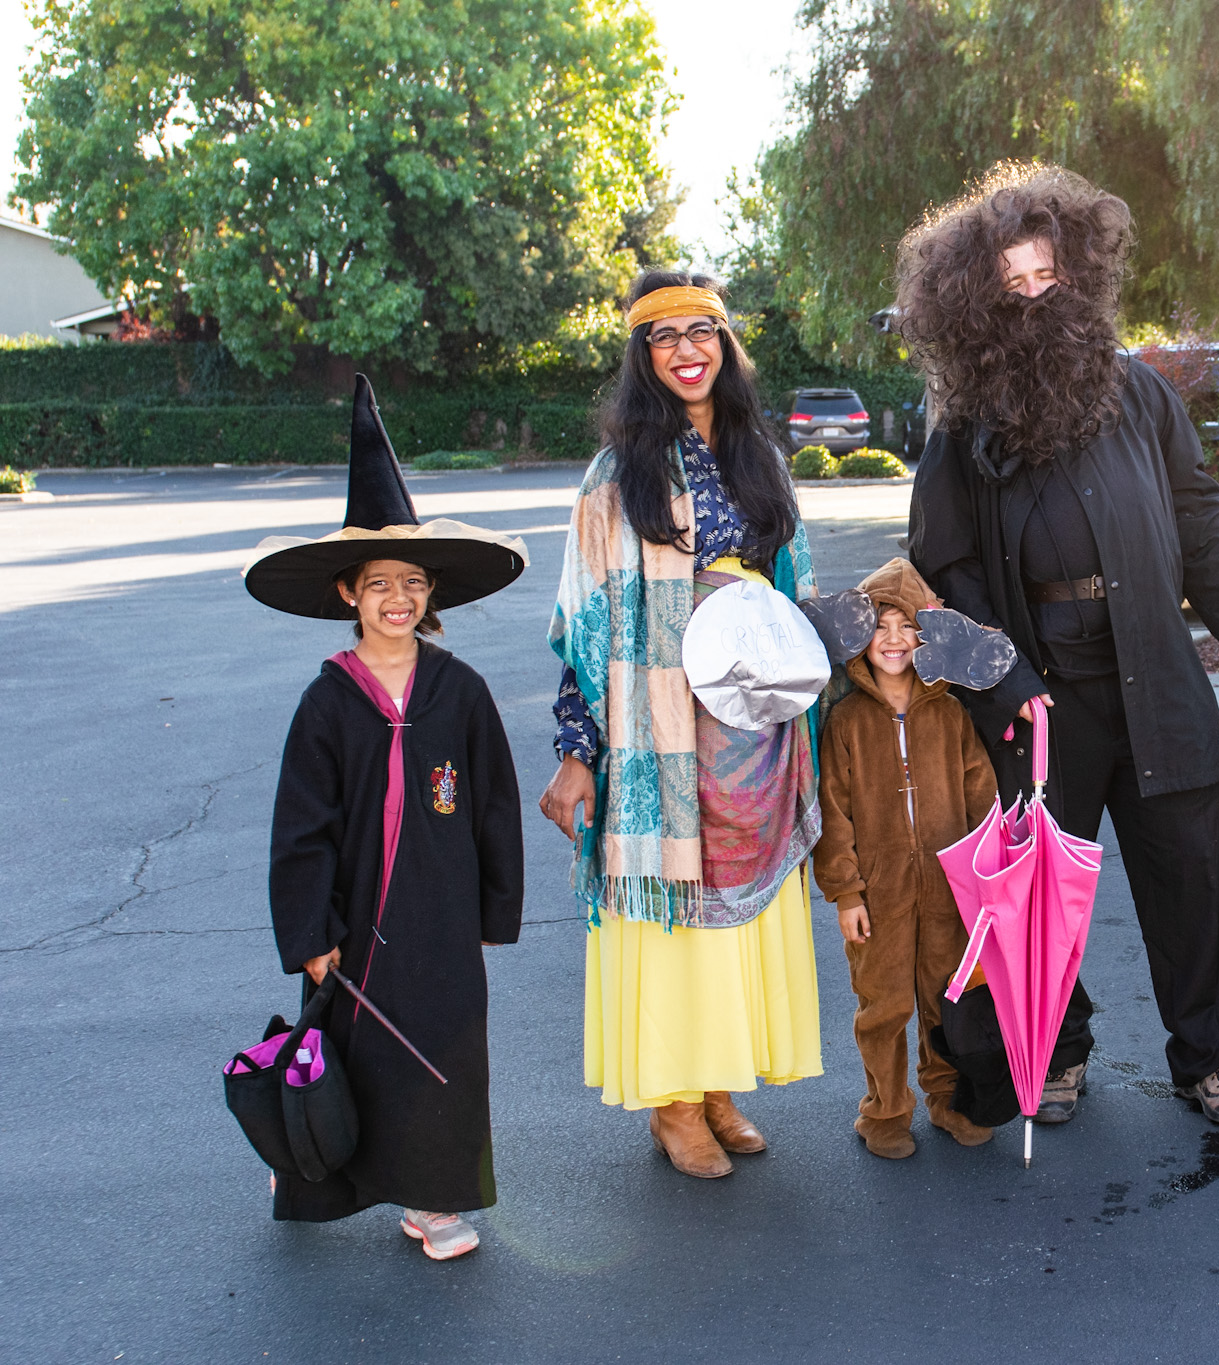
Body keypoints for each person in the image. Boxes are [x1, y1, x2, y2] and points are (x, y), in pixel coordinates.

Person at [899, 164, 1219, 1127]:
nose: (1036, 301)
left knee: (1189, 883)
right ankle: (1061, 1046)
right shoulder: (963, 426)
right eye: (1014, 287)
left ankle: (1209, 1057)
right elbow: (944, 567)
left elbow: (1196, 519)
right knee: (1042, 891)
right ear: (979, 306)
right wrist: (1004, 683)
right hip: (1043, 695)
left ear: (1080, 276)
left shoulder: (1144, 396)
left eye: (1049, 278)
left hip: (1157, 677)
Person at [540, 270, 824, 1180]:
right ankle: (673, 1100)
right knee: (676, 910)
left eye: (704, 331)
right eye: (666, 337)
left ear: (726, 346)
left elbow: (798, 585)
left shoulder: (759, 455)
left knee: (739, 908)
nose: (687, 349)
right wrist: (578, 750)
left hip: (756, 711)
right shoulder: (614, 473)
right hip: (658, 715)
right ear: (642, 356)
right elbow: (581, 619)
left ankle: (717, 1082)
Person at [248, 376, 528, 1258]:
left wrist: (491, 913)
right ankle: (309, 1158)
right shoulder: (327, 702)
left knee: (442, 1051)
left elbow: (493, 803)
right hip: (353, 918)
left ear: (431, 591)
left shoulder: (461, 690)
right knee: (348, 1055)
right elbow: (300, 830)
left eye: (411, 582)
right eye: (378, 584)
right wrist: (309, 933)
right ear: (348, 593)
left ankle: (433, 1202)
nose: (397, 598)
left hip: (441, 918)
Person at [815, 558, 1003, 1159]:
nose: (893, 639)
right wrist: (846, 893)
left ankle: (945, 1099)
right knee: (884, 1004)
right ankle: (885, 1110)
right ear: (860, 638)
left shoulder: (950, 715)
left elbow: (982, 796)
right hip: (879, 893)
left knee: (946, 998)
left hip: (951, 890)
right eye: (879, 626)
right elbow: (833, 812)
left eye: (906, 627)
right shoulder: (845, 721)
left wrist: (986, 883)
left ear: (926, 638)